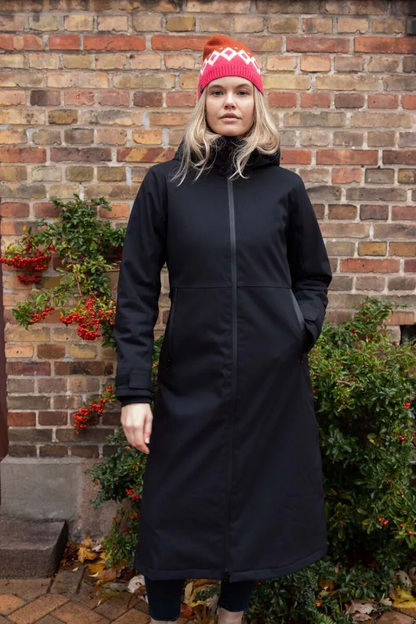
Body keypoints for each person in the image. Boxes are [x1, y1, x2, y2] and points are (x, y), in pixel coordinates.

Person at [113, 34, 333, 624]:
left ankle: (231, 616)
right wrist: (134, 391)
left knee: (258, 505)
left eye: (241, 91)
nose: (229, 102)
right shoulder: (165, 184)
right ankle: (164, 618)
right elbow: (136, 291)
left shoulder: (285, 189)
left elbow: (313, 275)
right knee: (172, 510)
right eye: (217, 92)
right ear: (202, 102)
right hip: (190, 378)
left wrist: (298, 329)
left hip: (270, 381)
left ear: (258, 102)